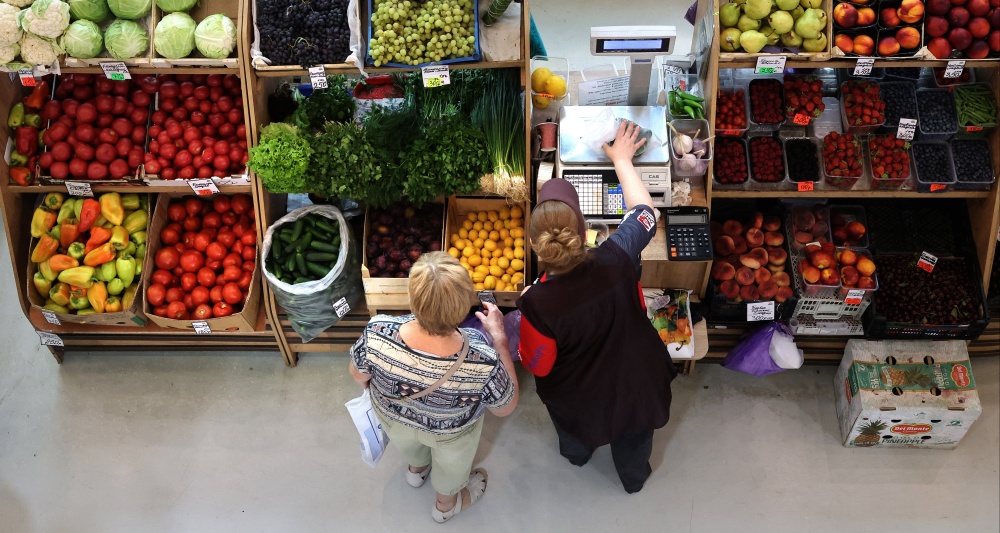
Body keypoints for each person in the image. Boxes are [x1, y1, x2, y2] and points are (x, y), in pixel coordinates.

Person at [516, 120, 677, 494]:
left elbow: (538, 364)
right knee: (635, 440)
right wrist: (622, 160)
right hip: (637, 381)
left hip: (580, 397)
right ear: (582, 229)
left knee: (576, 434)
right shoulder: (617, 256)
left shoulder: (536, 302)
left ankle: (578, 456)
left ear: (536, 246)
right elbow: (646, 213)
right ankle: (633, 480)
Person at [350, 252, 519, 523]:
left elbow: (358, 375)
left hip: (394, 417)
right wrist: (499, 337)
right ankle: (444, 507)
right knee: (452, 467)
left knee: (409, 443)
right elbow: (505, 407)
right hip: (451, 433)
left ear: (411, 298)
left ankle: (416, 471)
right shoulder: (482, 357)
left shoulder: (377, 331)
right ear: (464, 306)